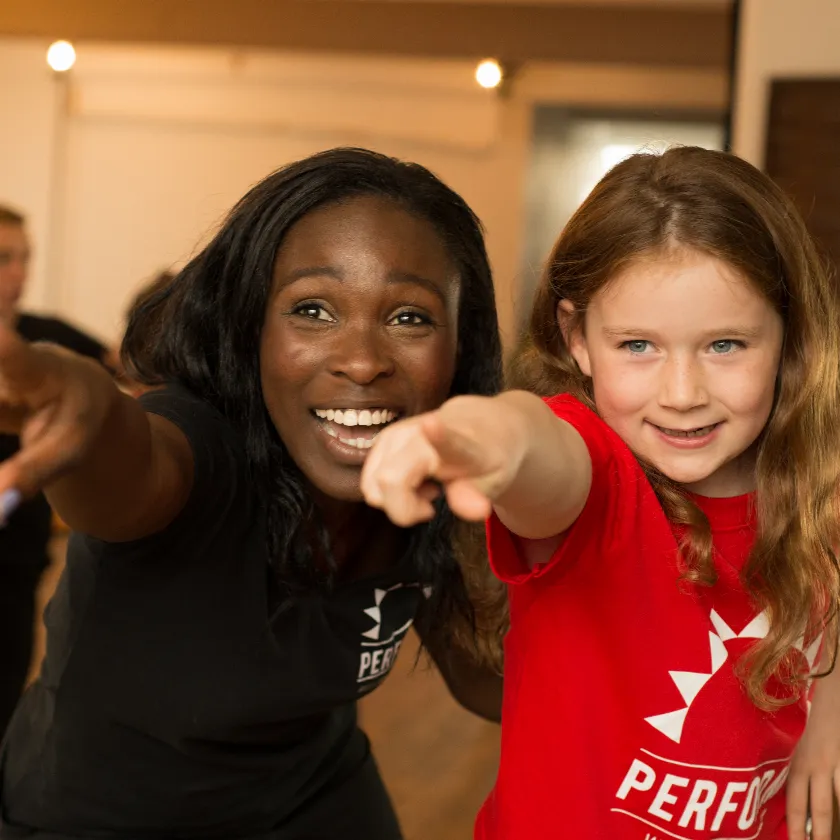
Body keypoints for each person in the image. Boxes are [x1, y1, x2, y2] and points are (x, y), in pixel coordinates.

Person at [0, 148, 504, 839]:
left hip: (312, 800)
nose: (361, 360)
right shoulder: (197, 452)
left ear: (459, 344)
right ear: (252, 329)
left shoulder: (434, 476)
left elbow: (493, 683)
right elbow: (128, 461)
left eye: (409, 318)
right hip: (102, 819)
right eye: (314, 309)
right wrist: (75, 393)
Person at [362, 146, 840, 840]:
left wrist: (826, 714)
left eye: (726, 345)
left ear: (789, 338)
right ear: (576, 338)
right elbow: (536, 445)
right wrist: (473, 435)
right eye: (637, 347)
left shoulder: (817, 483)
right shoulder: (595, 479)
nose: (683, 395)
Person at [0, 205, 114, 738]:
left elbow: (129, 369)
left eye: (25, 258)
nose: (19, 274)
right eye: (4, 258)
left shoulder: (48, 338)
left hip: (14, 572)